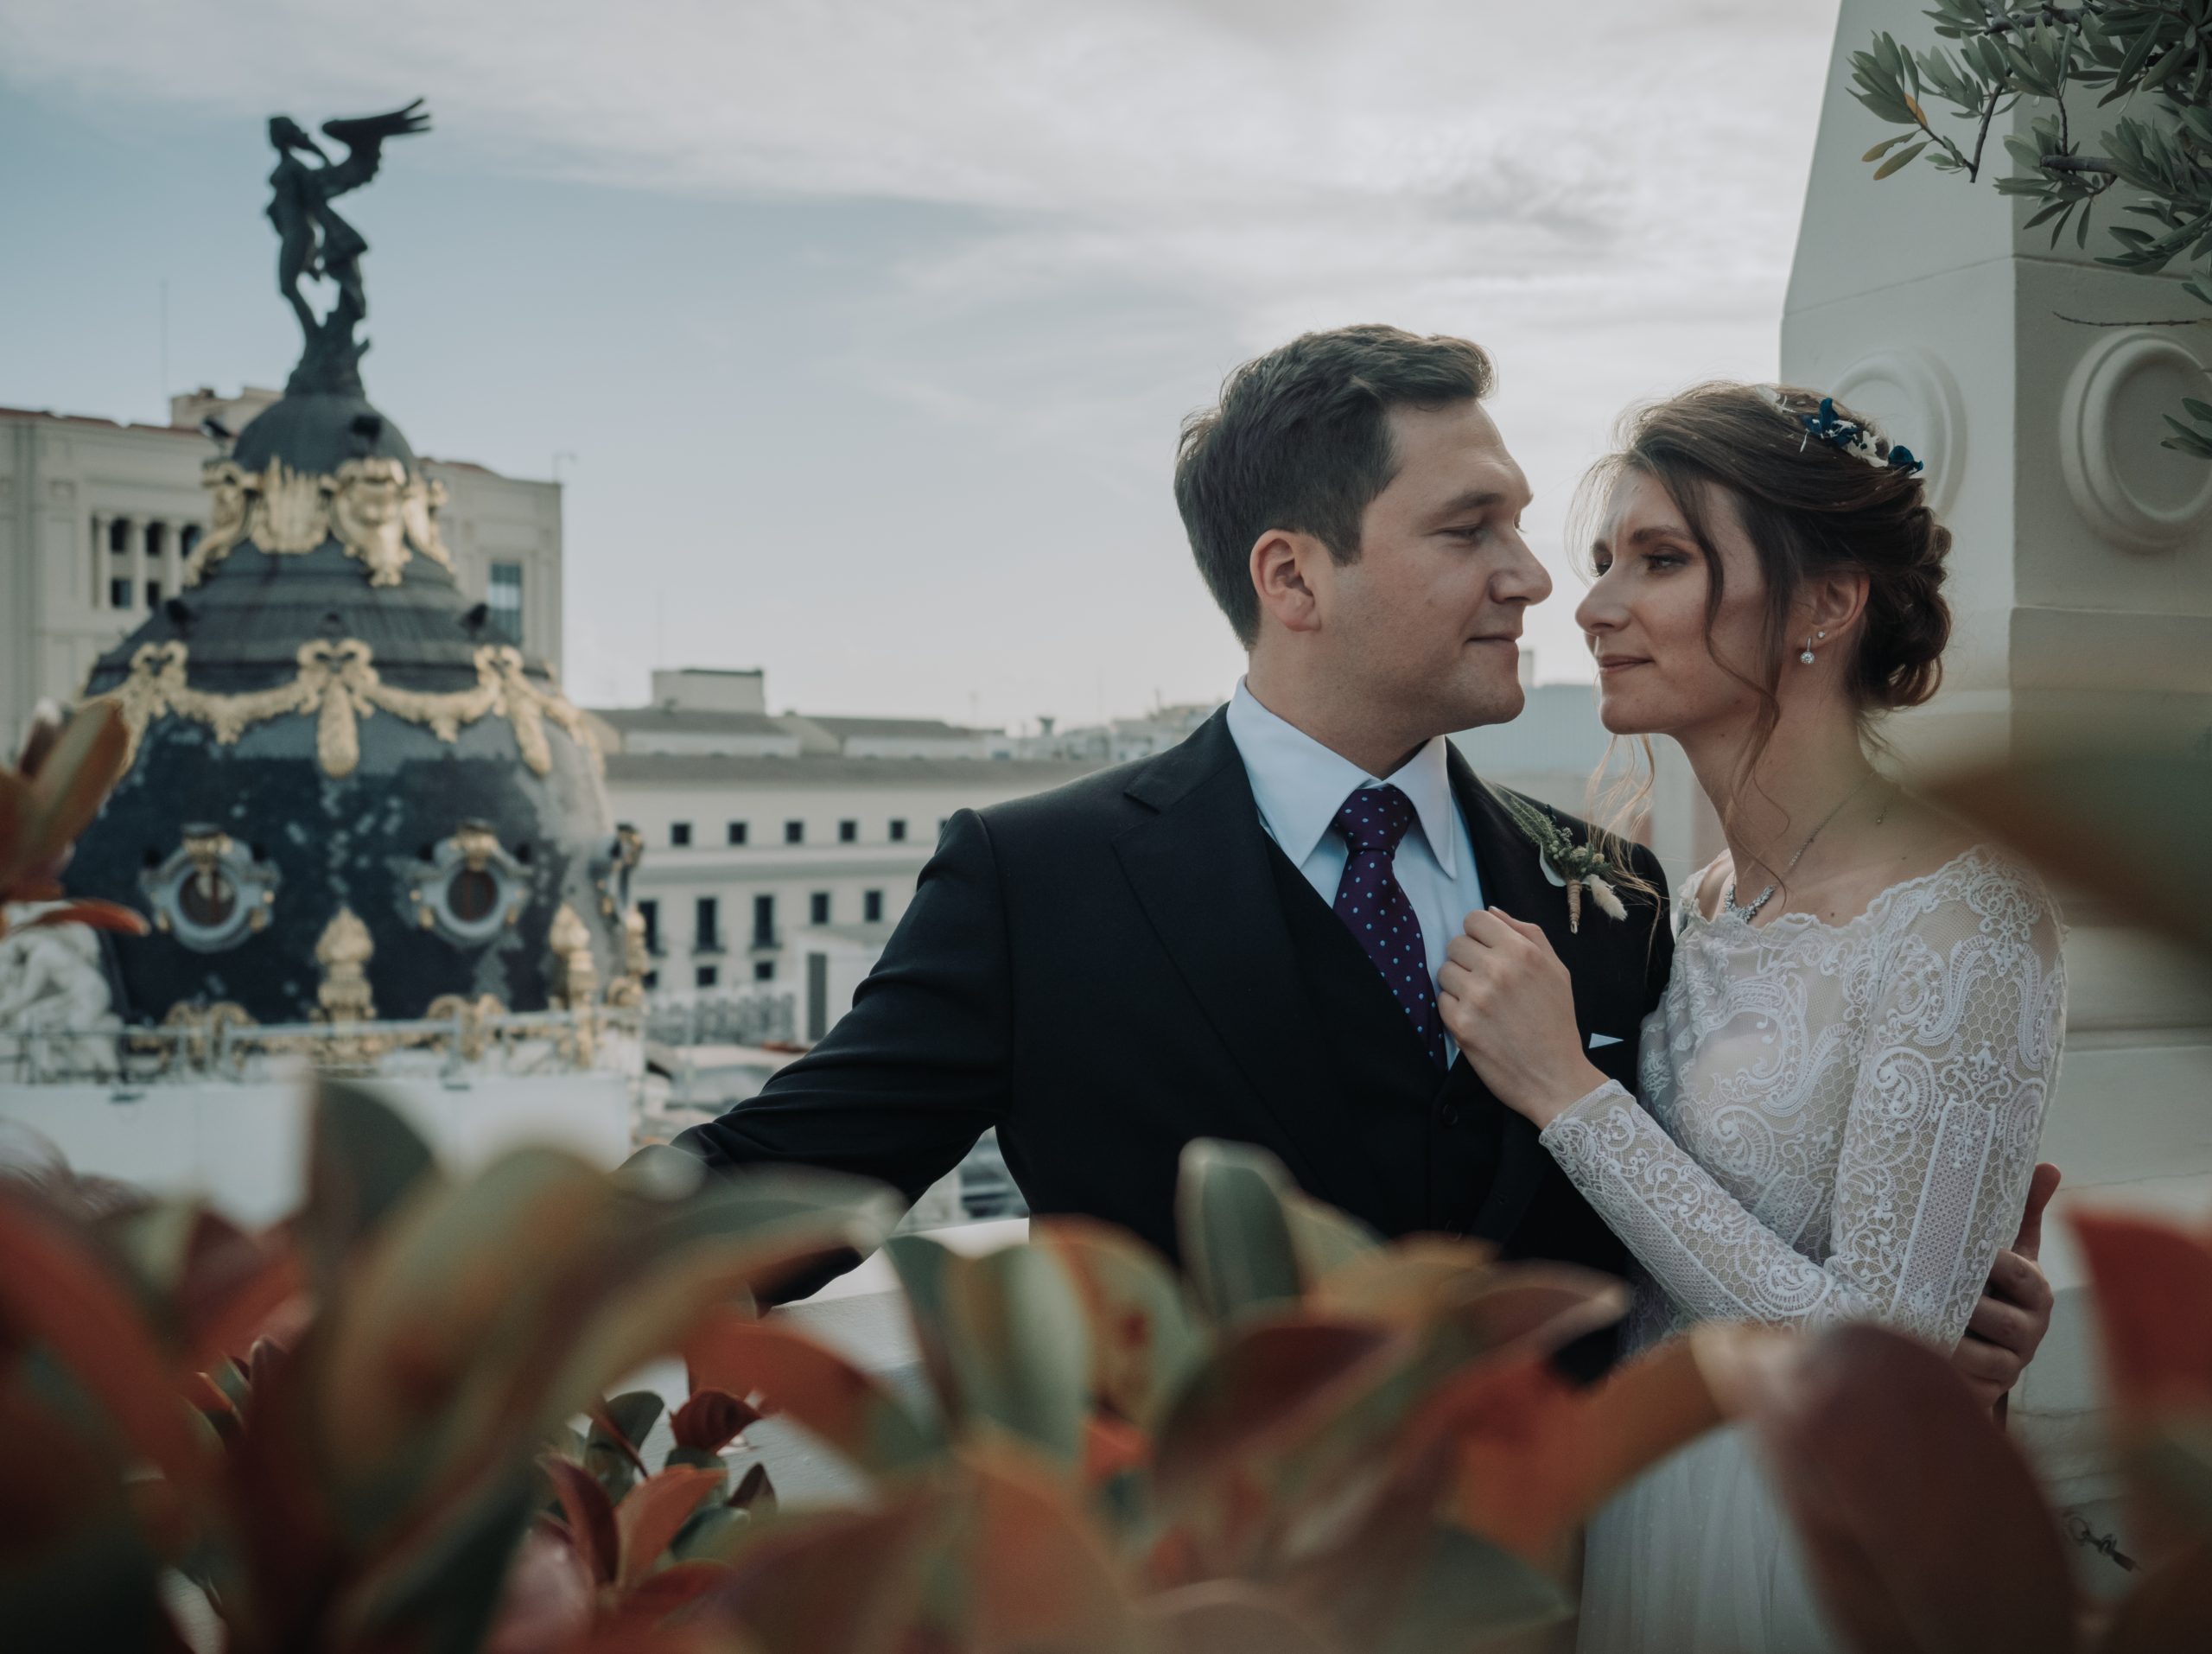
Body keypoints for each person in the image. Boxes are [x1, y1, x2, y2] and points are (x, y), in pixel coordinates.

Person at [673, 328, 2052, 1401]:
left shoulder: (1616, 899)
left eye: (1529, 528)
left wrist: (1935, 1326)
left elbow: (1704, 1215)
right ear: (1292, 579)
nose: (1540, 583)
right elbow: (767, 1181)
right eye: (1470, 529)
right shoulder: (1039, 884)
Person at [1435, 382, 2068, 1651]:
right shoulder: (1697, 905)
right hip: (1641, 1517)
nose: (1596, 606)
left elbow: (1878, 1369)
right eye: (1606, 560)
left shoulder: (1965, 919)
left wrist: (1569, 1094)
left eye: (1661, 559)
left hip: (1812, 1548)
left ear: (1827, 604)